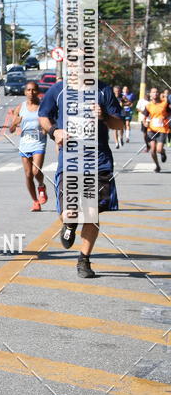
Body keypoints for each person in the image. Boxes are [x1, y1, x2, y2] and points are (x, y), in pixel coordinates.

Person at [39, 77, 124, 279]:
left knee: (92, 212)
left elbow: (119, 124)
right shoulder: (58, 90)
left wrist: (104, 116)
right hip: (70, 160)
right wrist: (54, 131)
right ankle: (69, 223)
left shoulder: (103, 90)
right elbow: (43, 116)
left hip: (99, 161)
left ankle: (84, 260)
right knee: (68, 211)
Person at [8, 80, 48, 211]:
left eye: (34, 90)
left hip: (39, 142)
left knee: (36, 171)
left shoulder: (42, 106)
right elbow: (11, 130)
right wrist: (15, 123)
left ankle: (41, 185)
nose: (31, 93)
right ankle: (35, 201)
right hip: (25, 143)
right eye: (28, 90)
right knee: (28, 174)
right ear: (25, 92)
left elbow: (49, 122)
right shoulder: (20, 107)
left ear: (38, 92)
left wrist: (45, 128)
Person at [142, 86, 170, 172]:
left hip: (162, 129)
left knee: (159, 149)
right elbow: (144, 117)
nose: (155, 94)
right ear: (150, 94)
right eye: (153, 92)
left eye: (157, 92)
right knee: (153, 149)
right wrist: (145, 123)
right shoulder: (148, 105)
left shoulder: (164, 103)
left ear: (159, 94)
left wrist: (165, 117)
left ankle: (162, 152)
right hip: (151, 129)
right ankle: (157, 166)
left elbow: (169, 114)